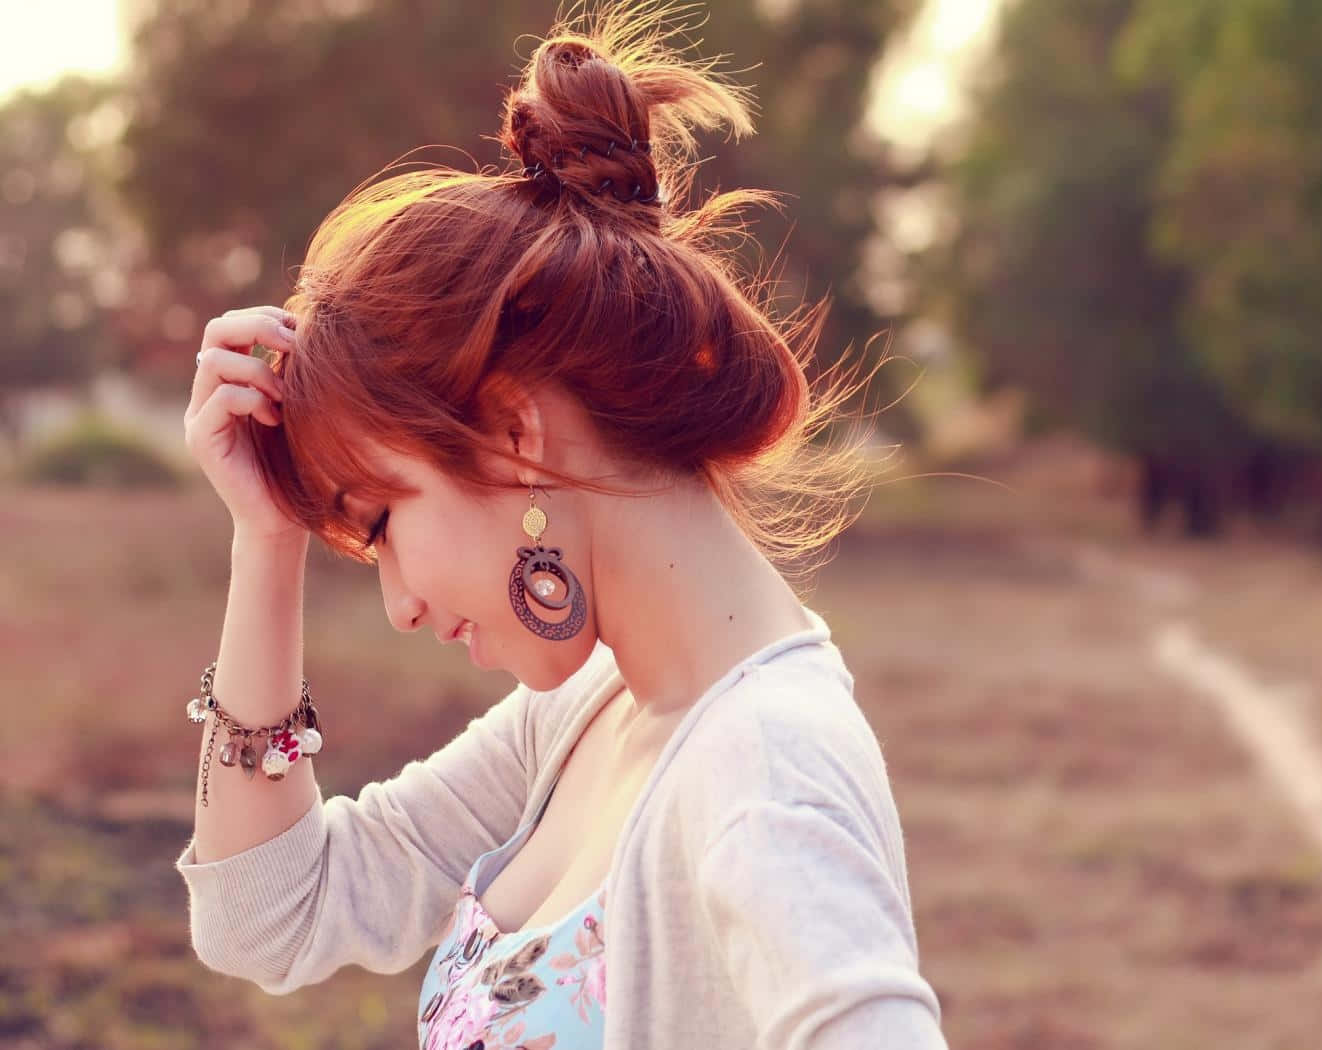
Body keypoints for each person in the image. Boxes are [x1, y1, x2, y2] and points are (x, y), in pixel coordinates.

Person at [172, 4, 946, 1048]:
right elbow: (267, 916)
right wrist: (265, 540)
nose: (399, 604)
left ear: (508, 429)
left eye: (385, 520)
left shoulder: (766, 766)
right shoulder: (594, 708)